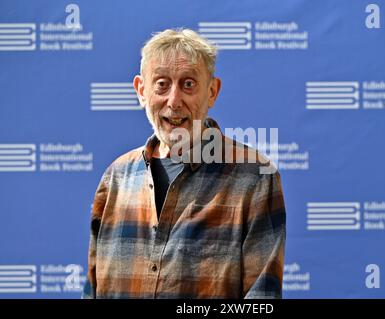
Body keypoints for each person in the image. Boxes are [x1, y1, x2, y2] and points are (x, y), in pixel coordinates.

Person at [82, 28, 286, 299]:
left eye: (188, 84)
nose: (174, 101)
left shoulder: (255, 177)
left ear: (212, 92)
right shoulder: (116, 178)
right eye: (162, 84)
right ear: (141, 91)